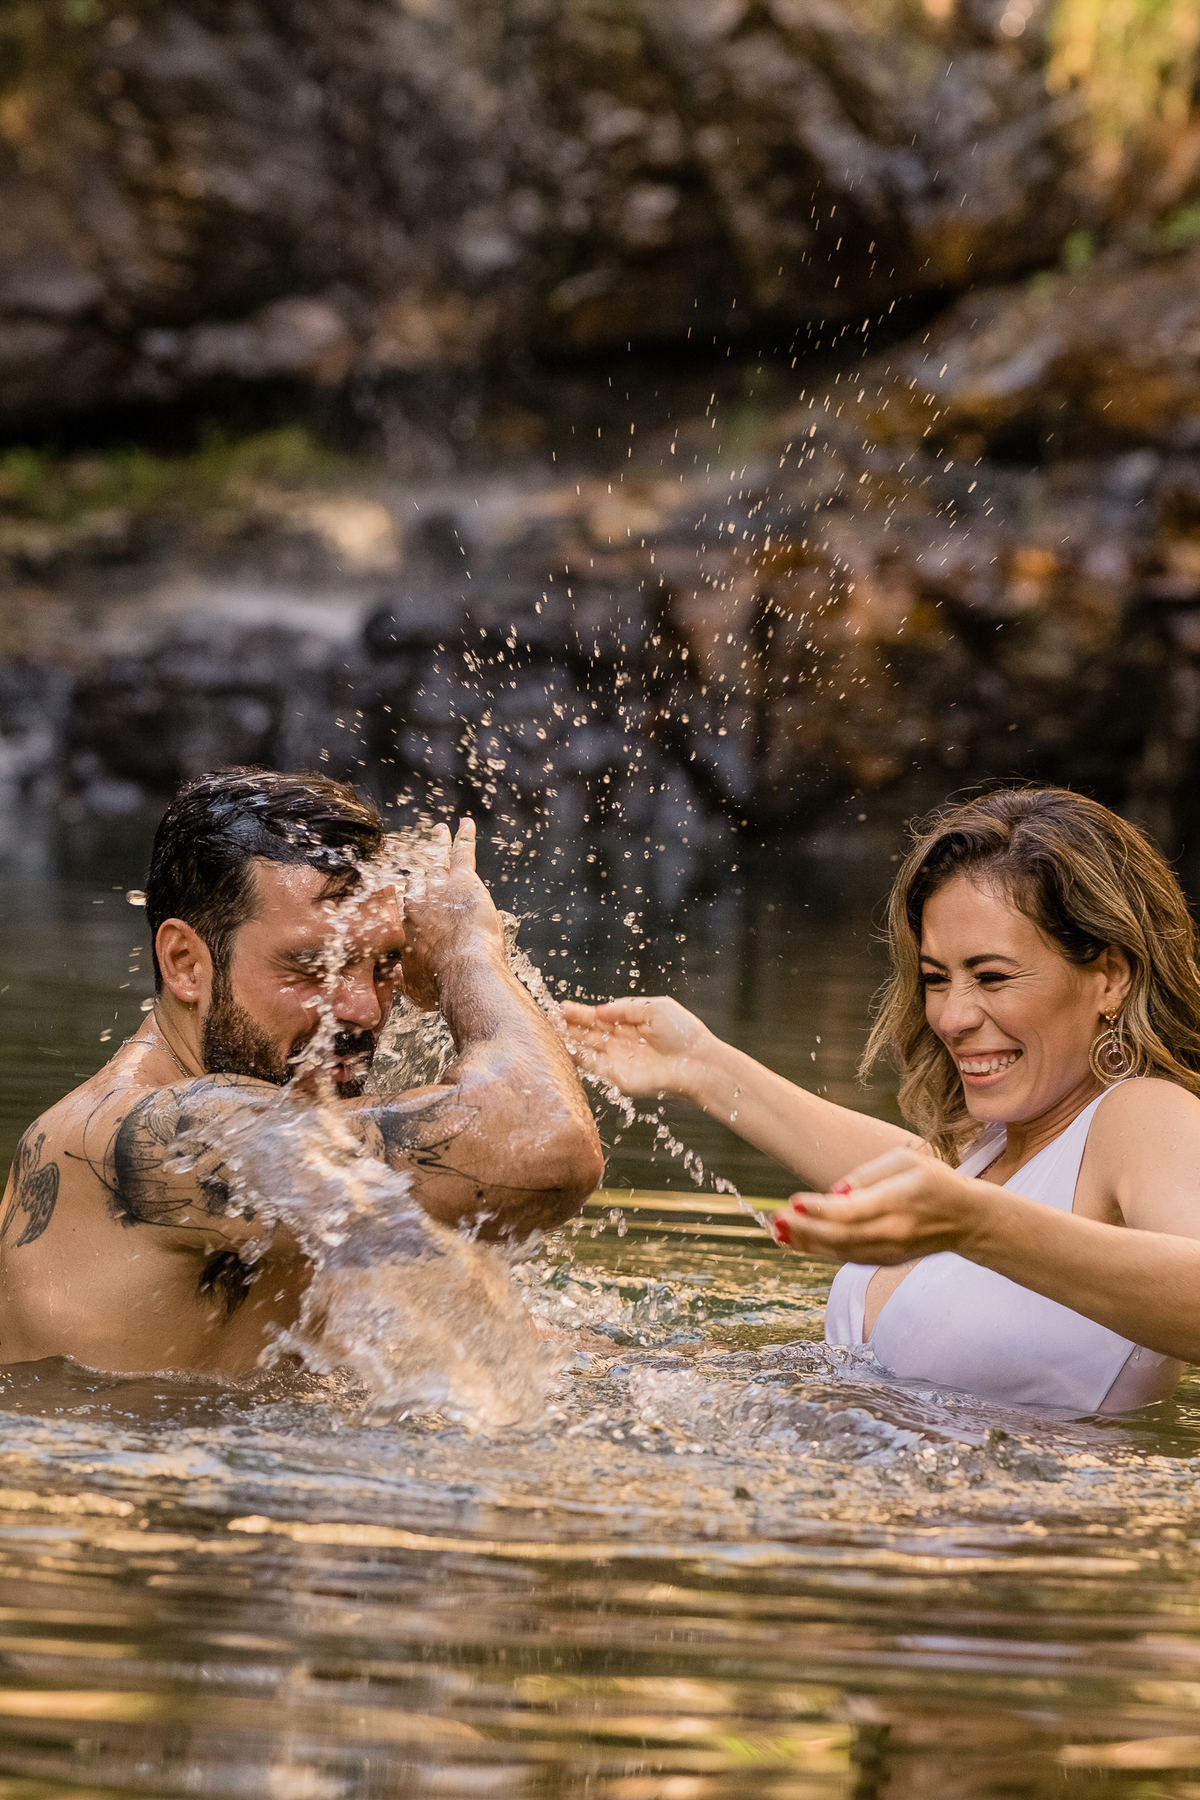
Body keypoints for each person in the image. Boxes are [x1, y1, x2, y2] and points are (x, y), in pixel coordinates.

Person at [564, 786, 1200, 1413]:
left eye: (992, 977)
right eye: (935, 978)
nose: (950, 1016)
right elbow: (916, 1182)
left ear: (1109, 978)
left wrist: (976, 1223)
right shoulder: (990, 1157)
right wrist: (700, 1065)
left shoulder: (1142, 1114)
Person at [0, 770, 603, 1377]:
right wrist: (467, 953)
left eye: (384, 964)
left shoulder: (291, 1166)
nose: (364, 1008)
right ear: (185, 964)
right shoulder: (153, 1136)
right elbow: (546, 1142)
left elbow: (543, 1353)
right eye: (314, 966)